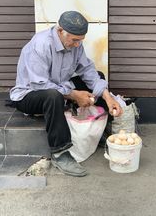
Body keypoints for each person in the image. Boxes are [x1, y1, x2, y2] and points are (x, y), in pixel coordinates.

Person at [10, 10, 123, 177]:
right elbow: (39, 84)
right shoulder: (40, 45)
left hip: (59, 87)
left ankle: (100, 129)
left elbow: (87, 71)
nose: (78, 45)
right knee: (52, 95)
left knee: (98, 77)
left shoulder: (75, 45)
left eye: (81, 40)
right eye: (75, 40)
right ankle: (60, 153)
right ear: (60, 30)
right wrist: (74, 95)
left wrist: (108, 97)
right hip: (30, 94)